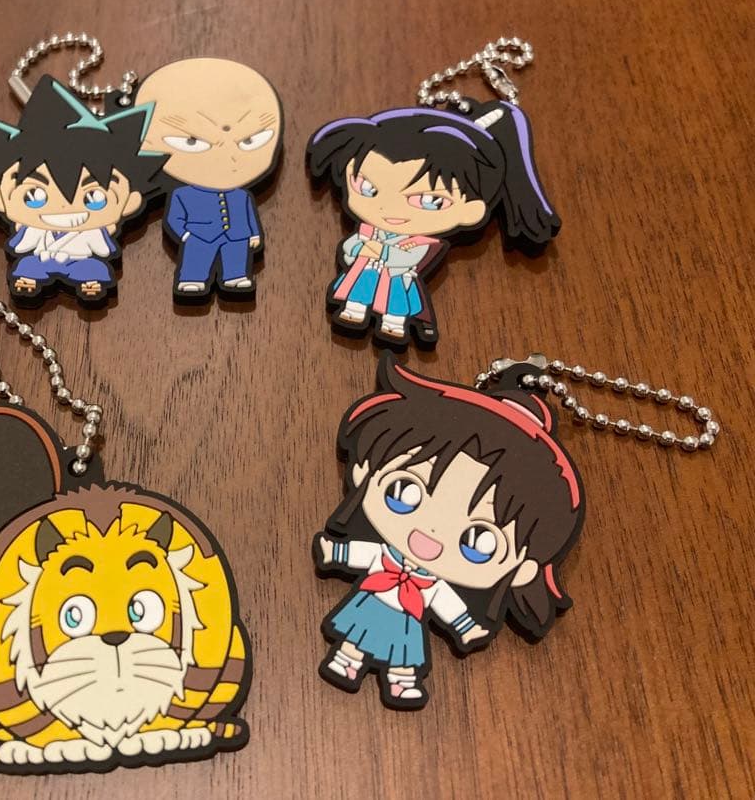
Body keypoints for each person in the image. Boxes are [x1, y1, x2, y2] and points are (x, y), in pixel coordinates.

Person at [314, 358, 583, 708]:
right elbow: (362, 554)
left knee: (404, 656)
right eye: (404, 492)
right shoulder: (386, 558)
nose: (431, 535)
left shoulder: (432, 585)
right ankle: (347, 662)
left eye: (479, 541)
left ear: (525, 568)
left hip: (406, 620)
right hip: (374, 605)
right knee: (354, 640)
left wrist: (466, 628)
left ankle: (401, 682)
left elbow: (448, 605)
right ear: (364, 471)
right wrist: (335, 553)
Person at [308, 101, 559, 343]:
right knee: (357, 293)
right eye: (367, 187)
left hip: (399, 279)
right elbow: (349, 250)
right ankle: (355, 310)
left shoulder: (423, 243)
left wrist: (379, 252)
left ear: (472, 211)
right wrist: (357, 249)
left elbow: (410, 259)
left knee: (397, 306)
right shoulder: (367, 231)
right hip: (365, 272)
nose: (389, 208)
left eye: (429, 200)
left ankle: (393, 324)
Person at [0, 76, 166, 303]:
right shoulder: (32, 230)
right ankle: (30, 279)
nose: (63, 208)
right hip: (41, 258)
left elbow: (102, 247)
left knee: (92, 268)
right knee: (29, 265)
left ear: (130, 201)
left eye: (94, 197)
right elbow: (20, 243)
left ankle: (90, 281)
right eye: (34, 196)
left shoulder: (94, 232)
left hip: (82, 261)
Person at [135, 58, 282, 298]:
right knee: (196, 259)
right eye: (191, 141)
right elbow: (174, 217)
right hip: (199, 236)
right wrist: (184, 234)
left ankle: (236, 276)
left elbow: (249, 214)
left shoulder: (242, 195)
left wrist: (254, 234)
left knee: (236, 258)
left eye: (249, 140)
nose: (227, 156)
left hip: (237, 235)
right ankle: (192, 279)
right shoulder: (182, 194)